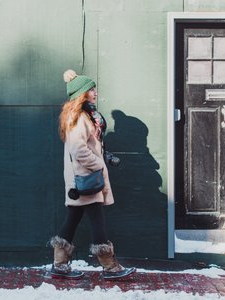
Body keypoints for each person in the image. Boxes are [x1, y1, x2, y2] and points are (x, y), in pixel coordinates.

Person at [48, 69, 136, 280]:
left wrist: (103, 157)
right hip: (85, 177)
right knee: (97, 221)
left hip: (82, 178)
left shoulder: (83, 116)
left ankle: (60, 265)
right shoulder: (79, 118)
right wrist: (98, 164)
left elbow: (89, 145)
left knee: (74, 218)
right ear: (82, 94)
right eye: (91, 89)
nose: (95, 92)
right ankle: (110, 268)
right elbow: (78, 150)